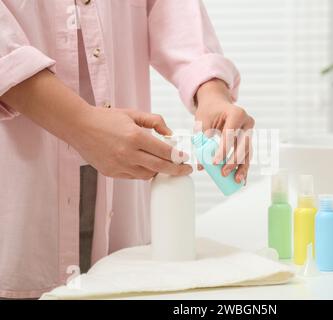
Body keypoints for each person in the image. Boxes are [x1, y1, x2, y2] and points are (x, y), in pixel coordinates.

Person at [0, 0, 254, 299]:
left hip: (120, 201)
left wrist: (212, 92)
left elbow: (174, 11)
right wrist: (81, 125)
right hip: (19, 193)